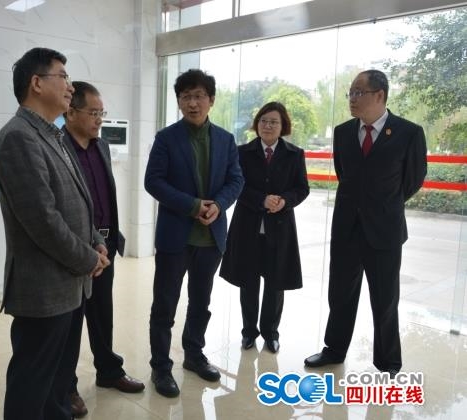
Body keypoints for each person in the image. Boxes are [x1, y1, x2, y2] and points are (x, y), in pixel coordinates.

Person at [0, 48, 110, 420]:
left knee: (56, 382)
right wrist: (88, 258)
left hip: (68, 285)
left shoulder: (52, 135)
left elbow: (78, 198)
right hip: (43, 289)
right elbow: (43, 220)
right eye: (63, 76)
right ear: (37, 83)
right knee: (32, 381)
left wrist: (96, 240)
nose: (70, 86)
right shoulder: (18, 137)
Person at [304, 69, 427, 376]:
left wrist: (383, 205)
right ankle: (334, 350)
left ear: (380, 95)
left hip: (384, 231)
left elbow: (412, 180)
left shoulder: (409, 133)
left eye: (359, 93)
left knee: (384, 299)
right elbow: (344, 174)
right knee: (340, 294)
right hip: (347, 227)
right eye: (351, 93)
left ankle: (388, 362)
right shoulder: (344, 132)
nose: (352, 99)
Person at [144, 69, 244, 398]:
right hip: (175, 237)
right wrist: (193, 205)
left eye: (198, 96)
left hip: (211, 238)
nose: (192, 103)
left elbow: (236, 180)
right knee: (165, 304)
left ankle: (194, 354)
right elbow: (153, 181)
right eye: (185, 96)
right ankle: (161, 366)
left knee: (201, 301)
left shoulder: (226, 140)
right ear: (178, 102)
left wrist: (219, 205)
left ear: (211, 100)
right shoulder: (166, 138)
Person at [62, 81, 144, 417]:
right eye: (93, 113)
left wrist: (107, 242)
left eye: (102, 113)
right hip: (74, 248)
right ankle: (66, 386)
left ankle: (109, 370)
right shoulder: (57, 148)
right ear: (70, 113)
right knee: (71, 321)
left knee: (102, 312)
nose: (99, 120)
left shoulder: (102, 146)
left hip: (105, 244)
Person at [219, 101, 309, 354]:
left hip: (280, 228)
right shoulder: (242, 152)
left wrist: (285, 201)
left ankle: (271, 333)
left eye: (274, 122)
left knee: (275, 284)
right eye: (263, 121)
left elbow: (302, 188)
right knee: (248, 282)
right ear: (257, 124)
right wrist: (261, 199)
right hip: (247, 227)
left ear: (283, 126)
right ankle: (249, 332)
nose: (268, 126)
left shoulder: (294, 154)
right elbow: (235, 184)